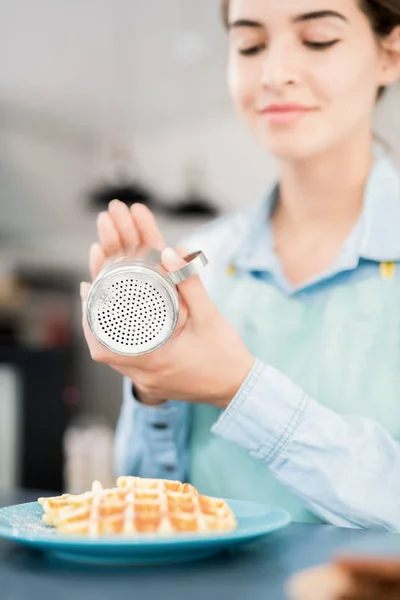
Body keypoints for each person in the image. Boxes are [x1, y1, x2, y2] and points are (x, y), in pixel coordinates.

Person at [81, 0, 400, 529]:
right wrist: (153, 391)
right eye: (249, 45)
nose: (274, 74)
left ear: (389, 54)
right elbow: (145, 509)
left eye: (318, 39)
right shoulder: (196, 265)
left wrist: (239, 388)